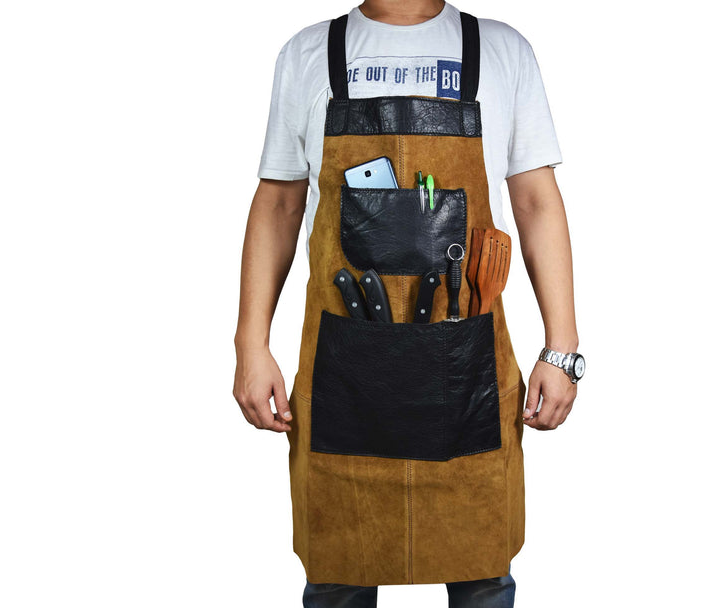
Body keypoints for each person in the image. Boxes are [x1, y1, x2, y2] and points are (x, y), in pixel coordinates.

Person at [233, 1, 583, 606]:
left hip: (465, 368)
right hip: (345, 372)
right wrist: (250, 344)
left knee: (480, 573)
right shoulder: (308, 53)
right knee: (339, 573)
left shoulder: (501, 51)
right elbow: (279, 203)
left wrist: (562, 349)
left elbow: (536, 201)